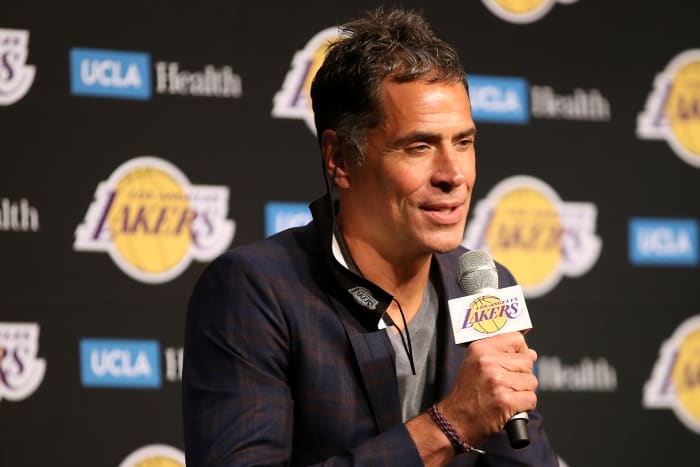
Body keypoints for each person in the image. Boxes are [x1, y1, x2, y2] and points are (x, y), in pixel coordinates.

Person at [183, 7, 558, 466]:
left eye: (463, 142)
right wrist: (448, 426)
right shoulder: (256, 291)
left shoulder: (483, 285)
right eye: (419, 146)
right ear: (339, 158)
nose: (453, 174)